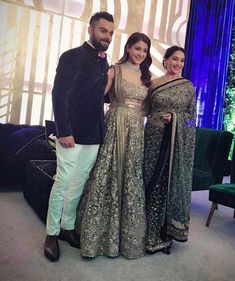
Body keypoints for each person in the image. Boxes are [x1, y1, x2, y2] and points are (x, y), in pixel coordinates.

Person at [43, 11, 114, 262]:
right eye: (103, 30)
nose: (107, 36)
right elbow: (59, 95)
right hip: (71, 134)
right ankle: (51, 234)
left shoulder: (103, 62)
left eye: (111, 33)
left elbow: (97, 97)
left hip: (94, 134)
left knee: (79, 183)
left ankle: (67, 227)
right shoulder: (72, 56)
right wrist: (65, 131)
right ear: (91, 29)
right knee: (62, 182)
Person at [75, 32, 152, 259]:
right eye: (137, 48)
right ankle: (97, 236)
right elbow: (96, 96)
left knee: (131, 177)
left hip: (137, 131)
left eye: (145, 51)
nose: (140, 54)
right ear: (128, 48)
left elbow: (148, 108)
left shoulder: (147, 77)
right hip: (114, 125)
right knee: (107, 173)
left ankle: (126, 238)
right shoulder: (114, 70)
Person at [143, 45, 196, 254]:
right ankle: (145, 232)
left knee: (166, 184)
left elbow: (191, 120)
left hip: (175, 144)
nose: (178, 64)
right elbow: (145, 111)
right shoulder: (153, 84)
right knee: (149, 180)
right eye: (174, 59)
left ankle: (164, 234)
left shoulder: (188, 87)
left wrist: (175, 118)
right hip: (153, 139)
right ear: (164, 60)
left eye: (182, 61)